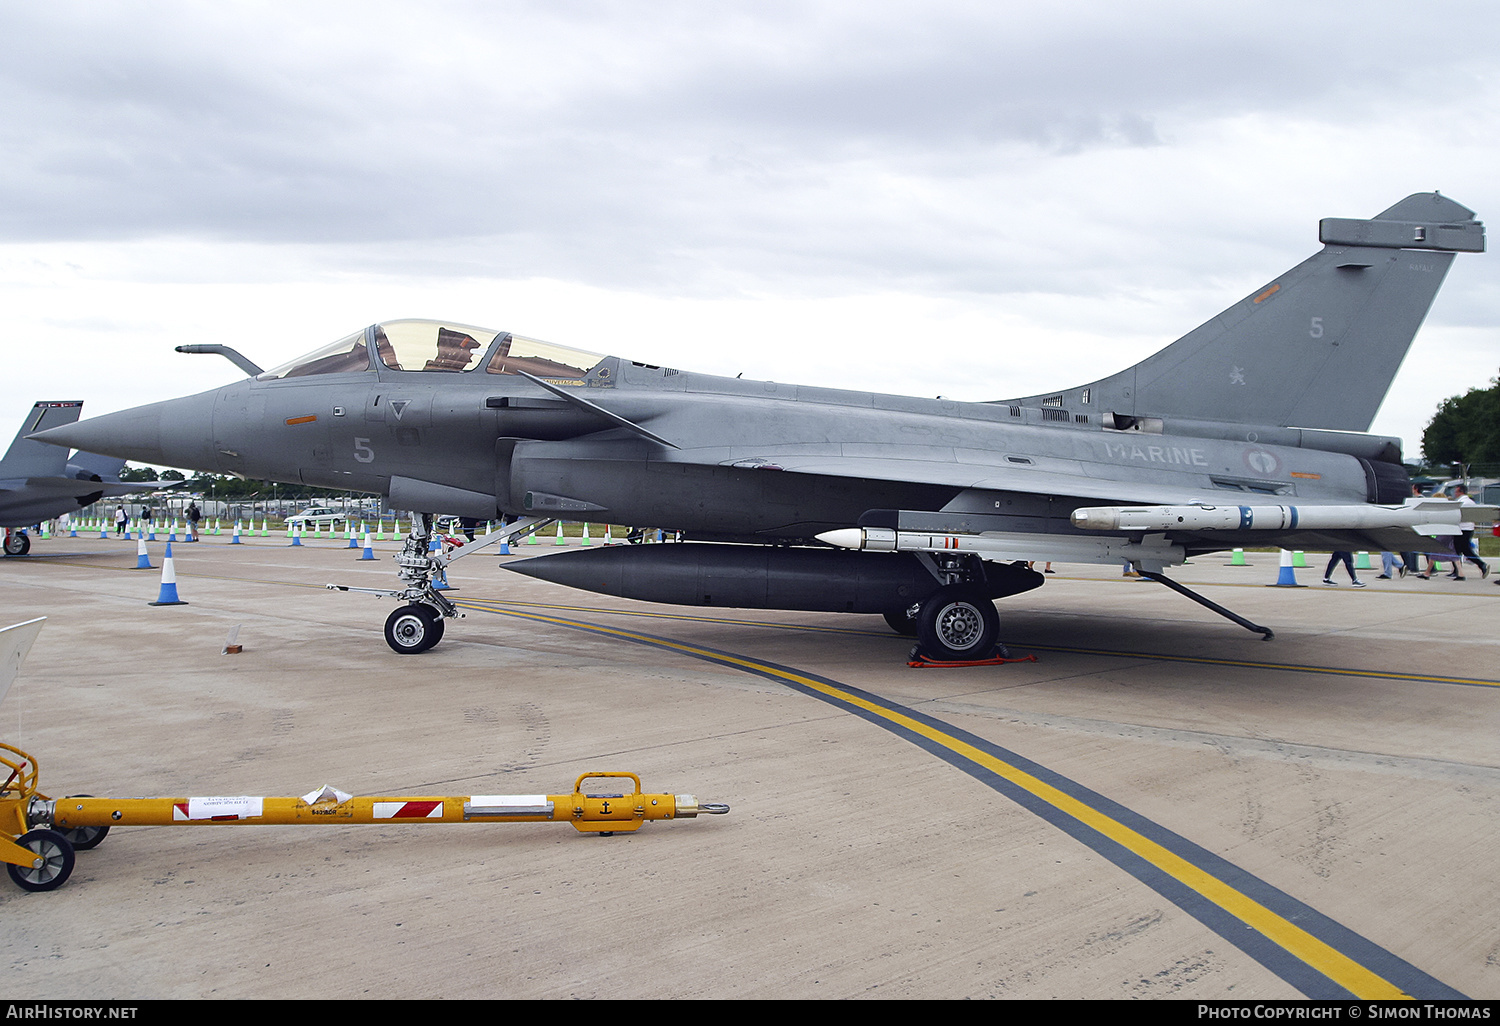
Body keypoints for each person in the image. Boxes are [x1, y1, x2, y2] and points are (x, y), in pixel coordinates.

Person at [1449, 485, 1488, 580]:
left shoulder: (1462, 502)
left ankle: (1481, 565)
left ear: (1460, 492)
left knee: (1461, 550)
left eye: (1456, 491)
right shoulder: (1471, 502)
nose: (1455, 493)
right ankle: (1457, 570)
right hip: (1469, 528)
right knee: (1460, 550)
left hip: (1461, 529)